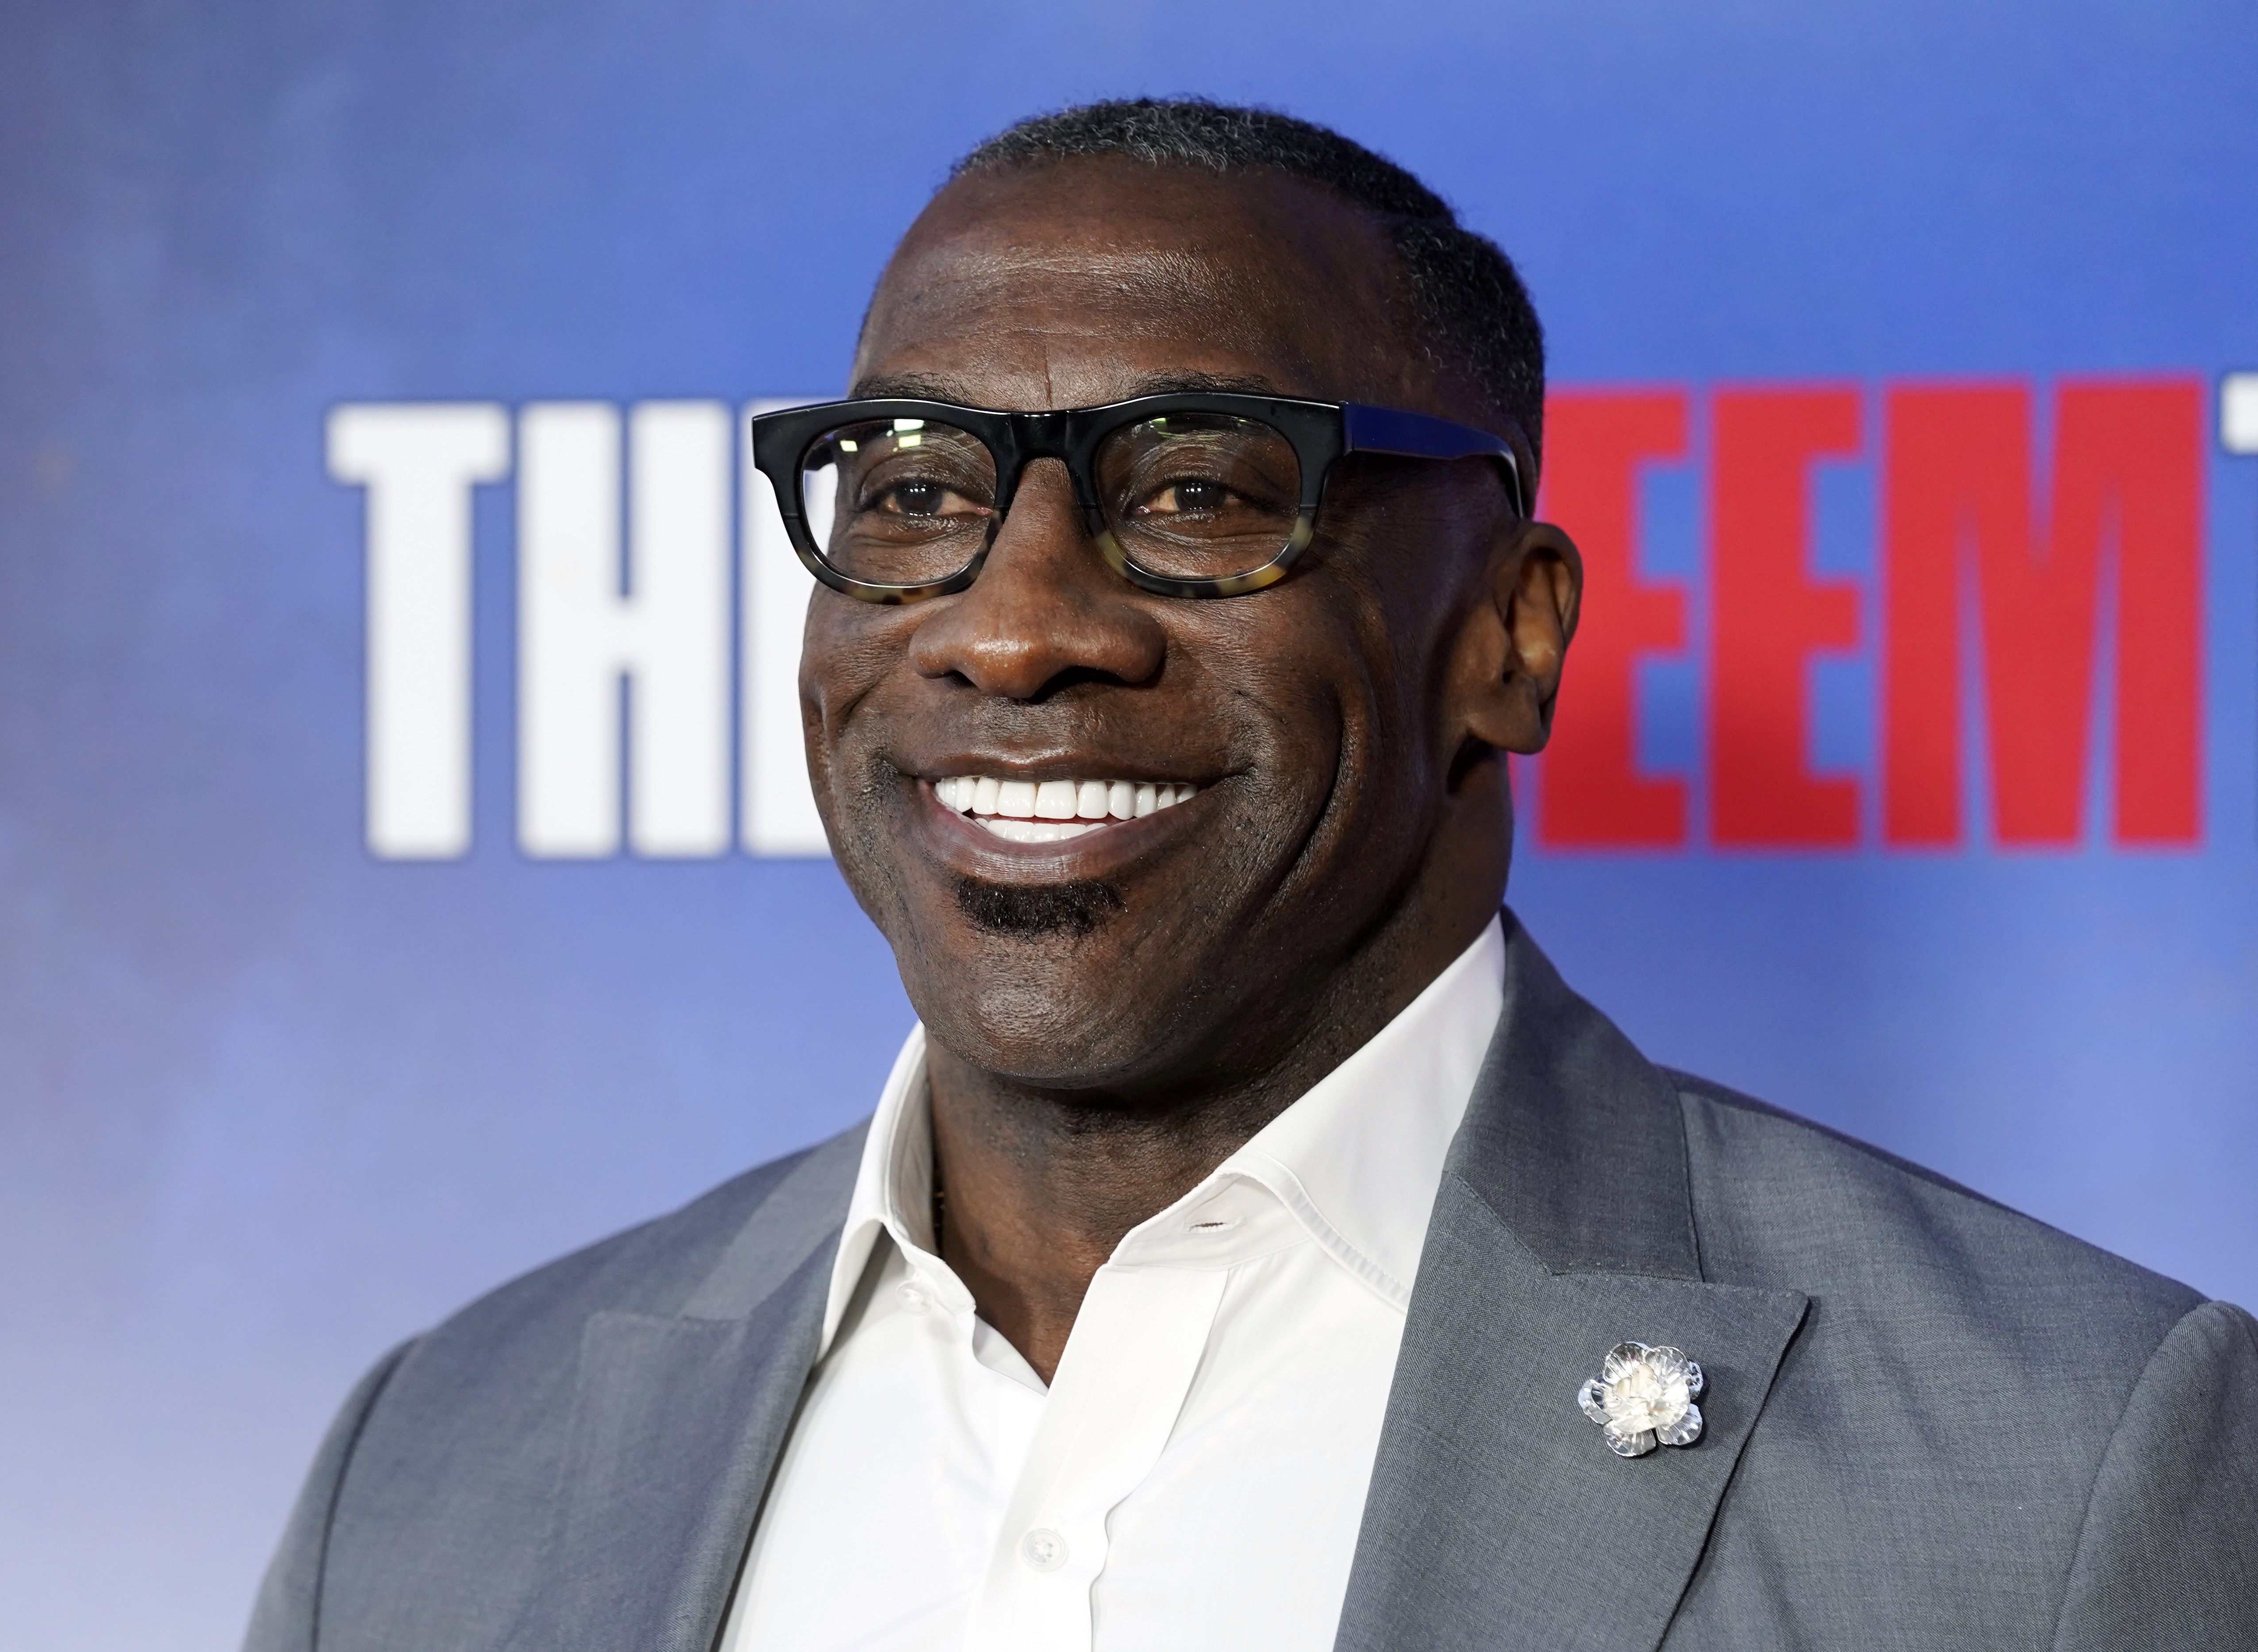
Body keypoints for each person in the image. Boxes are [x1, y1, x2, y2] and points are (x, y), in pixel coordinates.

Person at [245, 99, 2257, 1651]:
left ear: (1511, 635)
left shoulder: (2069, 1468)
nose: (1009, 627)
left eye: (1197, 489)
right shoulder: (439, 1461)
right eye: (917, 491)